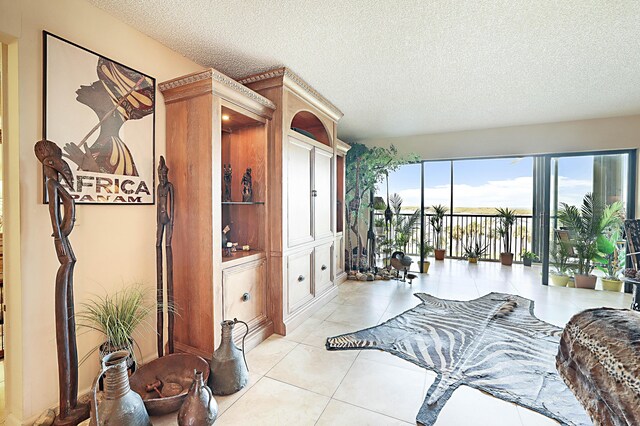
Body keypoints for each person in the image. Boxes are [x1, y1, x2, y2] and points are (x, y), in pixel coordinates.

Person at [35, 139, 89, 423]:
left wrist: (63, 232)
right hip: (62, 246)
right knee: (64, 318)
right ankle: (66, 406)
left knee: (68, 318)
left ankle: (70, 402)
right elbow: (58, 219)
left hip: (63, 244)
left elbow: (66, 207)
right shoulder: (51, 186)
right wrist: (59, 237)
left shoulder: (56, 186)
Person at [64, 57, 154, 176]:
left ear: (112, 103)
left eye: (93, 87)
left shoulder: (113, 147)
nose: (84, 88)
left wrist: (91, 170)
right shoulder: (104, 143)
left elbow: (114, 189)